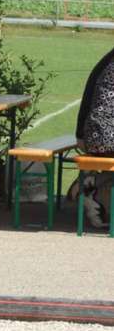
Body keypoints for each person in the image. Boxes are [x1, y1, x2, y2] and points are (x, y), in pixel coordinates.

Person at [72, 47, 114, 227]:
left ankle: (92, 185)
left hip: (95, 133)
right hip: (103, 135)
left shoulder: (109, 59)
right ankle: (91, 185)